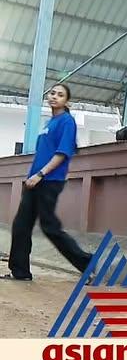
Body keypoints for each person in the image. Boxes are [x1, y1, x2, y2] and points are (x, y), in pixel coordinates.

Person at [3, 83, 92, 283]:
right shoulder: (49, 123)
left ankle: (88, 264)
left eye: (60, 95)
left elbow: (62, 154)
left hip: (49, 180)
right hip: (34, 181)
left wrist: (40, 175)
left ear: (66, 101)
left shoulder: (67, 121)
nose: (54, 97)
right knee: (21, 225)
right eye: (52, 93)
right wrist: (32, 176)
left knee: (49, 227)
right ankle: (20, 272)